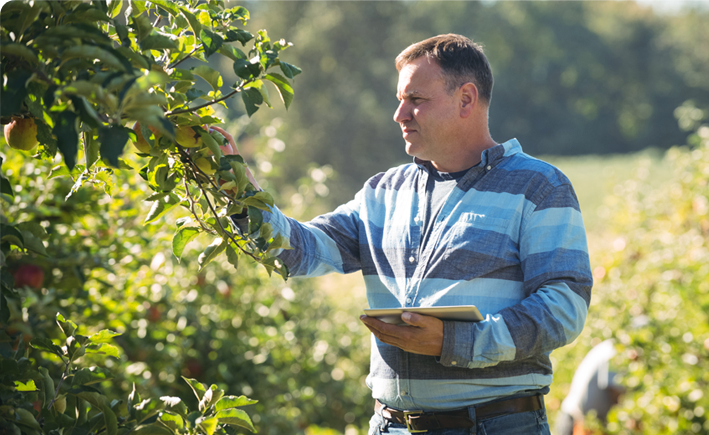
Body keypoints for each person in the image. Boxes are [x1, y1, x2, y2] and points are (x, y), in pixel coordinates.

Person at [226, 34, 593, 435]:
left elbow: (563, 308)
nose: (400, 114)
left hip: (495, 426)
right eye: (400, 100)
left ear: (466, 99)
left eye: (416, 100)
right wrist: (240, 192)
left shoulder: (538, 186)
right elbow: (299, 252)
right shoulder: (384, 191)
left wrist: (456, 342)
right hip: (389, 426)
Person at [553, 340, 625, 435]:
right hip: (578, 423)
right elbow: (615, 393)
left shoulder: (612, 347)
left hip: (585, 422)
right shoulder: (616, 350)